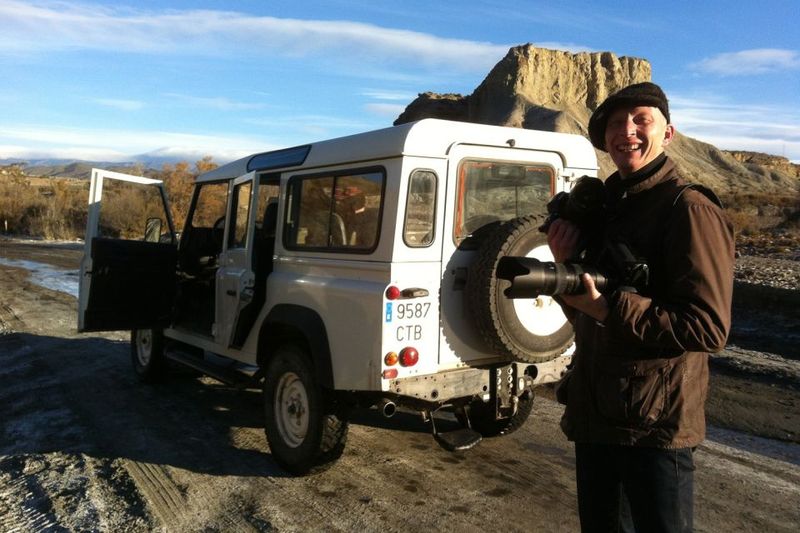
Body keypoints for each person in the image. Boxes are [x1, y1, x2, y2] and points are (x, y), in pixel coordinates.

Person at [547, 82, 734, 532]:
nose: (626, 131)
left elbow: (707, 328)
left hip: (654, 427)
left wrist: (609, 308)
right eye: (615, 123)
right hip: (597, 417)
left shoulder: (689, 208)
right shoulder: (610, 208)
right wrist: (567, 268)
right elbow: (589, 317)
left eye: (640, 120)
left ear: (667, 134)